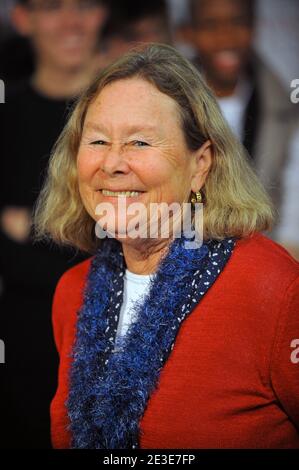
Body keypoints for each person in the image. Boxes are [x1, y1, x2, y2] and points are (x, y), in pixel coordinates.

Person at [34, 44, 299, 449]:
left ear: (201, 165)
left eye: (139, 143)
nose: (112, 164)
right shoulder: (72, 291)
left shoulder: (274, 289)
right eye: (98, 141)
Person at [0, 0, 108, 449]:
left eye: (84, 6)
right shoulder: (7, 112)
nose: (72, 22)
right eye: (51, 7)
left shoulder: (128, 110)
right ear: (22, 18)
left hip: (119, 331)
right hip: (25, 341)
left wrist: (35, 227)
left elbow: (147, 233)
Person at [185, 0, 298, 232]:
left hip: (263, 251)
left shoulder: (284, 109)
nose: (225, 37)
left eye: (237, 22)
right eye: (210, 25)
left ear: (255, 28)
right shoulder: (170, 104)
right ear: (190, 33)